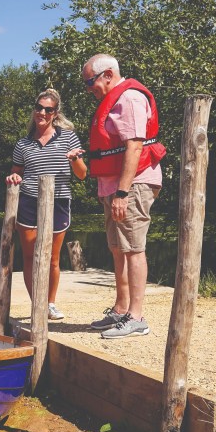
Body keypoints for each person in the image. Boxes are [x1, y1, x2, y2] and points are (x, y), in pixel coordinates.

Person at [82, 54, 167, 339]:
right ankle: (121, 309)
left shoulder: (129, 99)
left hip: (132, 185)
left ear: (107, 74)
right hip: (113, 187)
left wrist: (122, 192)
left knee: (133, 248)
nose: (88, 88)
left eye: (90, 81)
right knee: (118, 248)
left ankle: (137, 317)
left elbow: (134, 147)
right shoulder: (113, 100)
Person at [6, 89, 87, 320]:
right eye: (39, 107)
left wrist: (75, 159)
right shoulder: (23, 144)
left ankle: (50, 303)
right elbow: (16, 173)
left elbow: (82, 175)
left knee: (51, 258)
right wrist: (14, 178)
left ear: (55, 113)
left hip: (58, 201)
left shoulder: (68, 137)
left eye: (48, 109)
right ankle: (37, 305)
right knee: (31, 256)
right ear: (34, 110)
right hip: (29, 201)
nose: (42, 112)